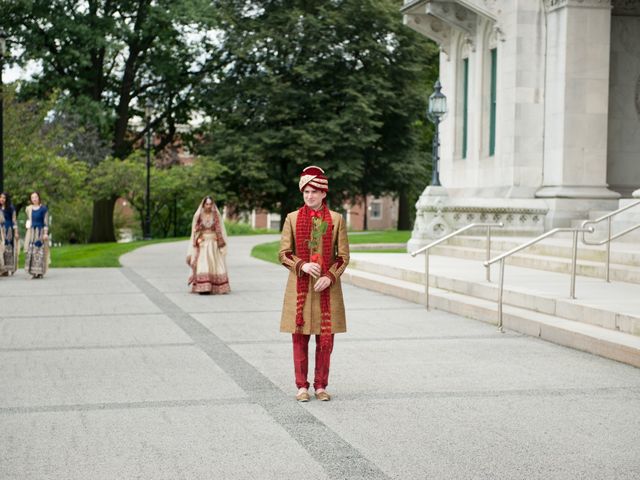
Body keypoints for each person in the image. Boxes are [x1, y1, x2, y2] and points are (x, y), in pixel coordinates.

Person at [279, 166, 349, 402]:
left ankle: (321, 386)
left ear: (323, 194)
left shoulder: (337, 220)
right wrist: (303, 266)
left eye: (314, 192)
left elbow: (343, 257)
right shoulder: (292, 218)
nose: (309, 196)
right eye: (306, 191)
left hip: (327, 290)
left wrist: (329, 276)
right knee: (299, 338)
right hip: (300, 289)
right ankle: (301, 386)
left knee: (325, 340)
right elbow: (283, 254)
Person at [186, 196, 230, 294]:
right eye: (207, 204)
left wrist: (219, 239)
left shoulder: (216, 216)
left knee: (214, 263)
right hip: (202, 243)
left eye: (210, 204)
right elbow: (194, 230)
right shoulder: (198, 216)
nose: (209, 206)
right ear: (203, 204)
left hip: (213, 243)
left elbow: (221, 229)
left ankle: (215, 286)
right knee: (203, 263)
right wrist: (197, 238)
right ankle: (203, 287)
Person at [24, 191, 50, 279]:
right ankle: (33, 272)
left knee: (39, 252)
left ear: (38, 197)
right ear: (31, 199)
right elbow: (28, 220)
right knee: (31, 252)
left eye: (35, 197)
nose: (34, 199)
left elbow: (46, 222)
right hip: (32, 233)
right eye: (32, 197)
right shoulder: (29, 209)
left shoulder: (43, 209)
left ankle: (40, 272)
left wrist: (45, 233)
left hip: (40, 232)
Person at [0, 192, 19, 276]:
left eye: (3, 198)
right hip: (1, 230)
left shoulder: (11, 208)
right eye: (0, 197)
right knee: (1, 248)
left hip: (9, 230)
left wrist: (16, 232)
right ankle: (2, 268)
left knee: (8, 248)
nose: (1, 199)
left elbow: (14, 220)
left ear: (7, 199)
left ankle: (8, 269)